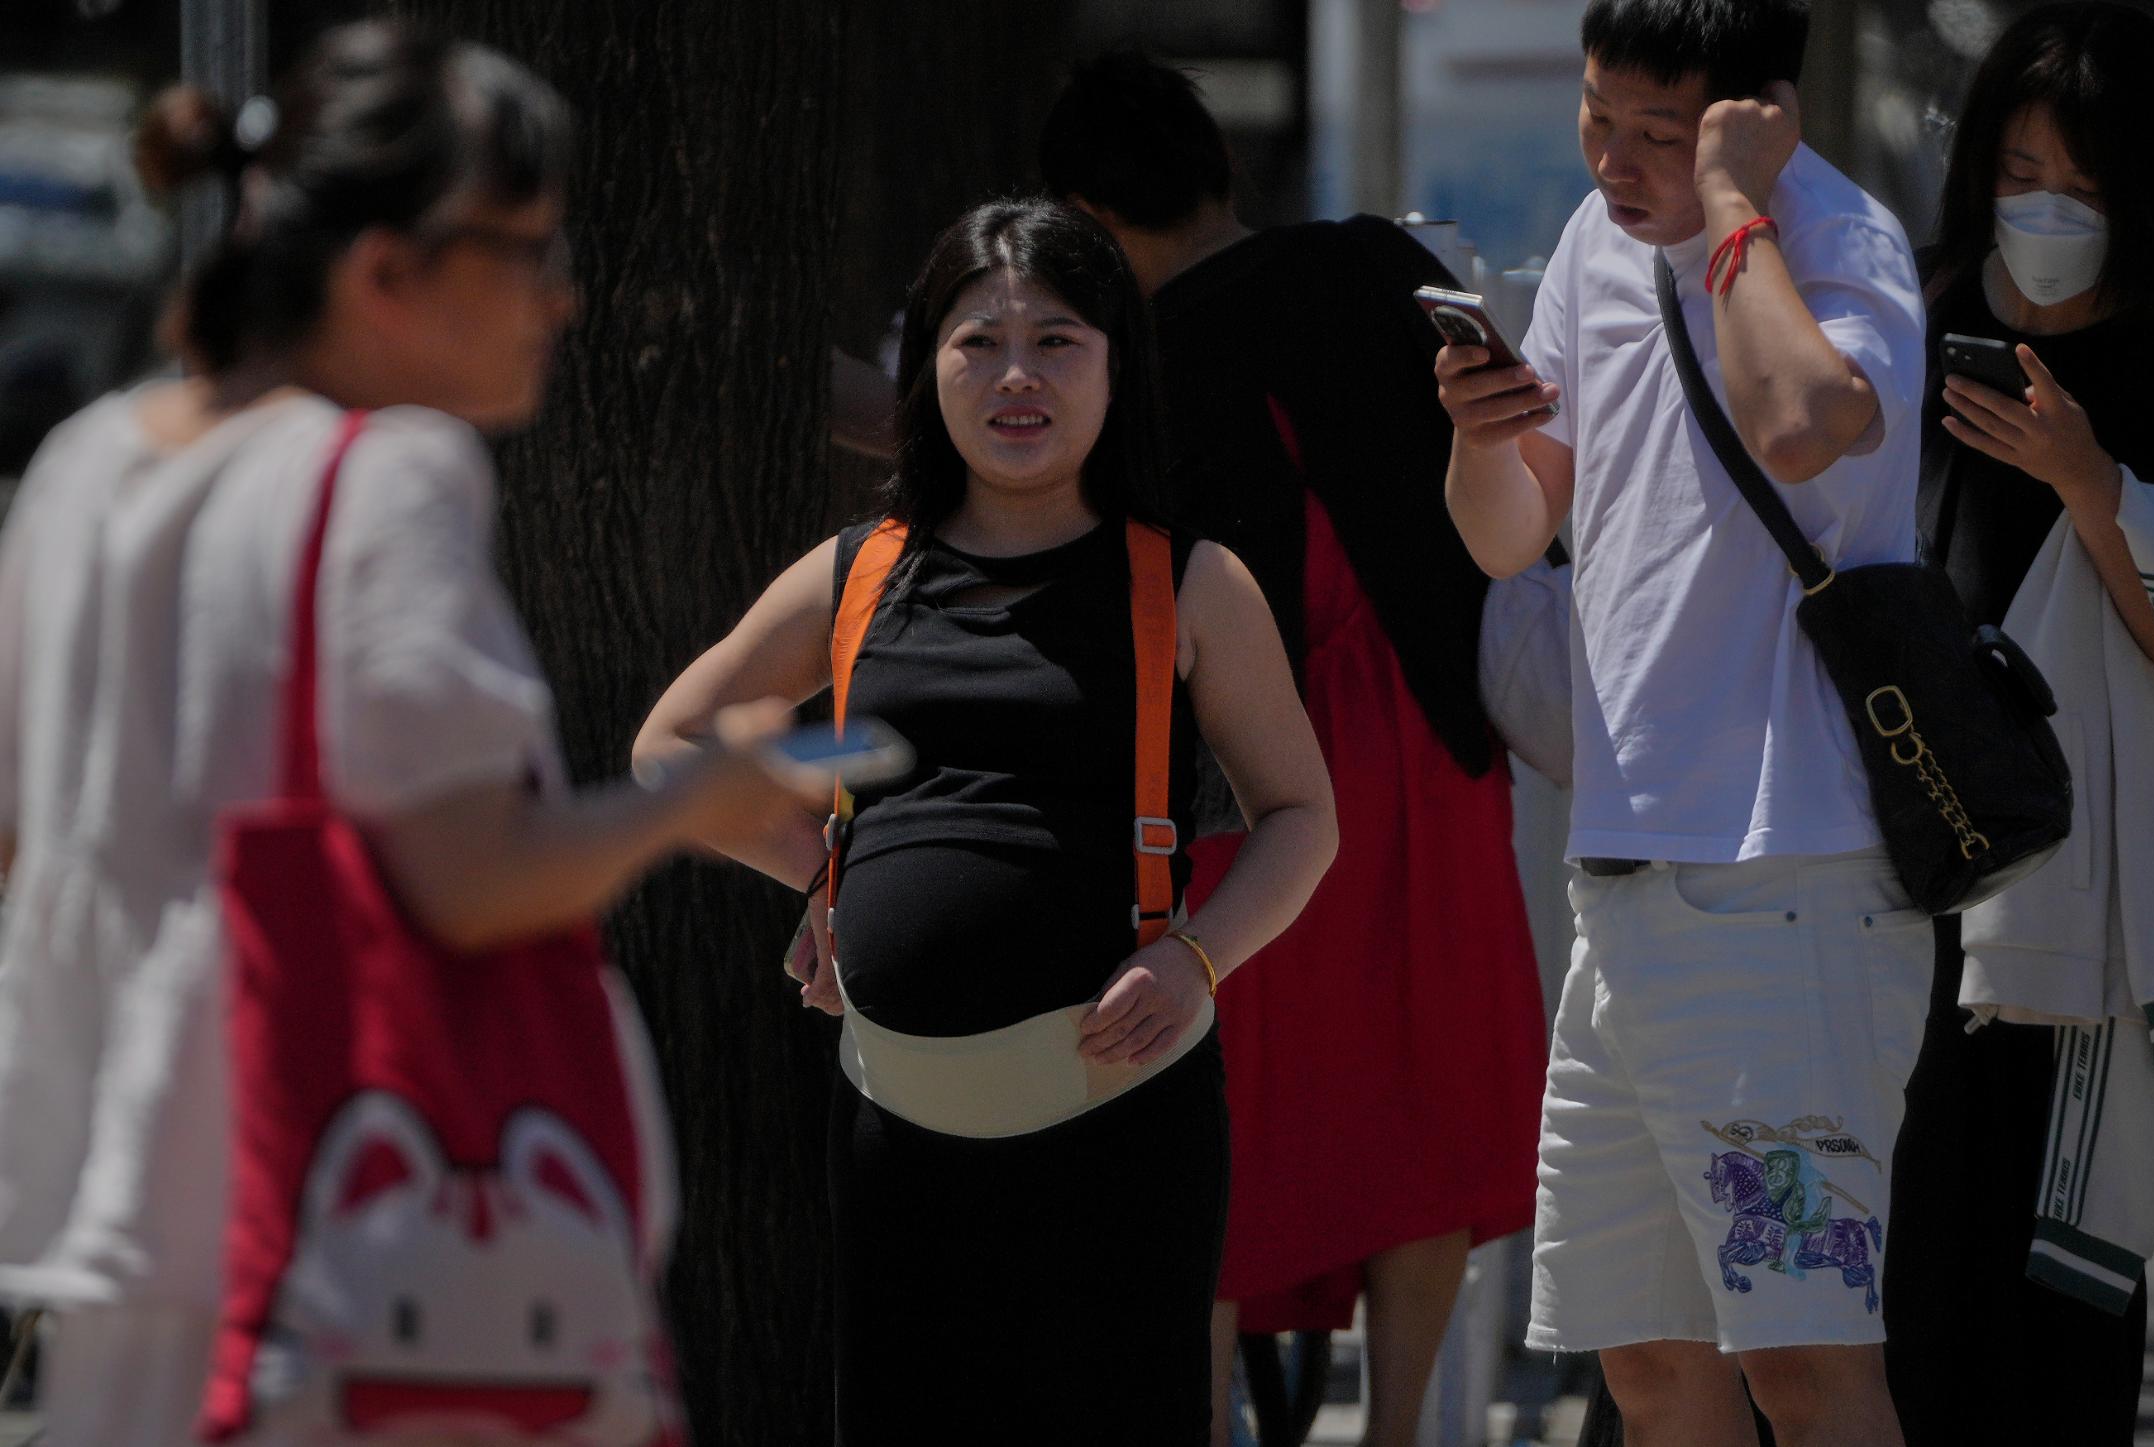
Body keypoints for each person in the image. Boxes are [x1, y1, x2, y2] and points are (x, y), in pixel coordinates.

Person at [0, 24, 816, 1444]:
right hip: (347, 1251)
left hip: (116, 1237)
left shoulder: (87, 460)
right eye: (528, 248)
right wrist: (700, 796)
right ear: (384, 272)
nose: (562, 296)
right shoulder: (385, 473)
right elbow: (473, 875)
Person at [633, 198, 1337, 1445]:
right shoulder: (854, 572)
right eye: (978, 341)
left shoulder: (1190, 582)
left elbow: (1300, 816)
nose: (1017, 375)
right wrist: (824, 879)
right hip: (894, 1136)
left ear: (1116, 366)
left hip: (1122, 1133)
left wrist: (1199, 955)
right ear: (928, 369)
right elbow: (668, 748)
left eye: (1056, 340)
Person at [1435, 1, 1933, 1443]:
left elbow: (1797, 421)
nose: (1613, 160)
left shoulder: (1837, 242)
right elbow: (1506, 531)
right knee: (1647, 1362)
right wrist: (1475, 433)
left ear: (1754, 114)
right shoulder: (1591, 247)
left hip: (1789, 888)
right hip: (1623, 885)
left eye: (1658, 131)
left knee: (1803, 1360)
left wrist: (1728, 202)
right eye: (1597, 116)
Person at [1039, 53, 1547, 1447]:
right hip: (1429, 733)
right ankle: (1398, 1427)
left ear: (1088, 214)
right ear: (1215, 167)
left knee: (1225, 1115)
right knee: (1425, 1094)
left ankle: (1201, 1421)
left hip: (1248, 773)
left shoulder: (1133, 356)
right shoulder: (1380, 264)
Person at [1881, 7, 2154, 1443]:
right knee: (1892, 1292)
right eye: (2018, 171)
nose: (2046, 208)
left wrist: (2089, 483)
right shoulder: (1911, 321)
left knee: (2048, 1328)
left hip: (2073, 920)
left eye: (2086, 183)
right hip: (1893, 884)